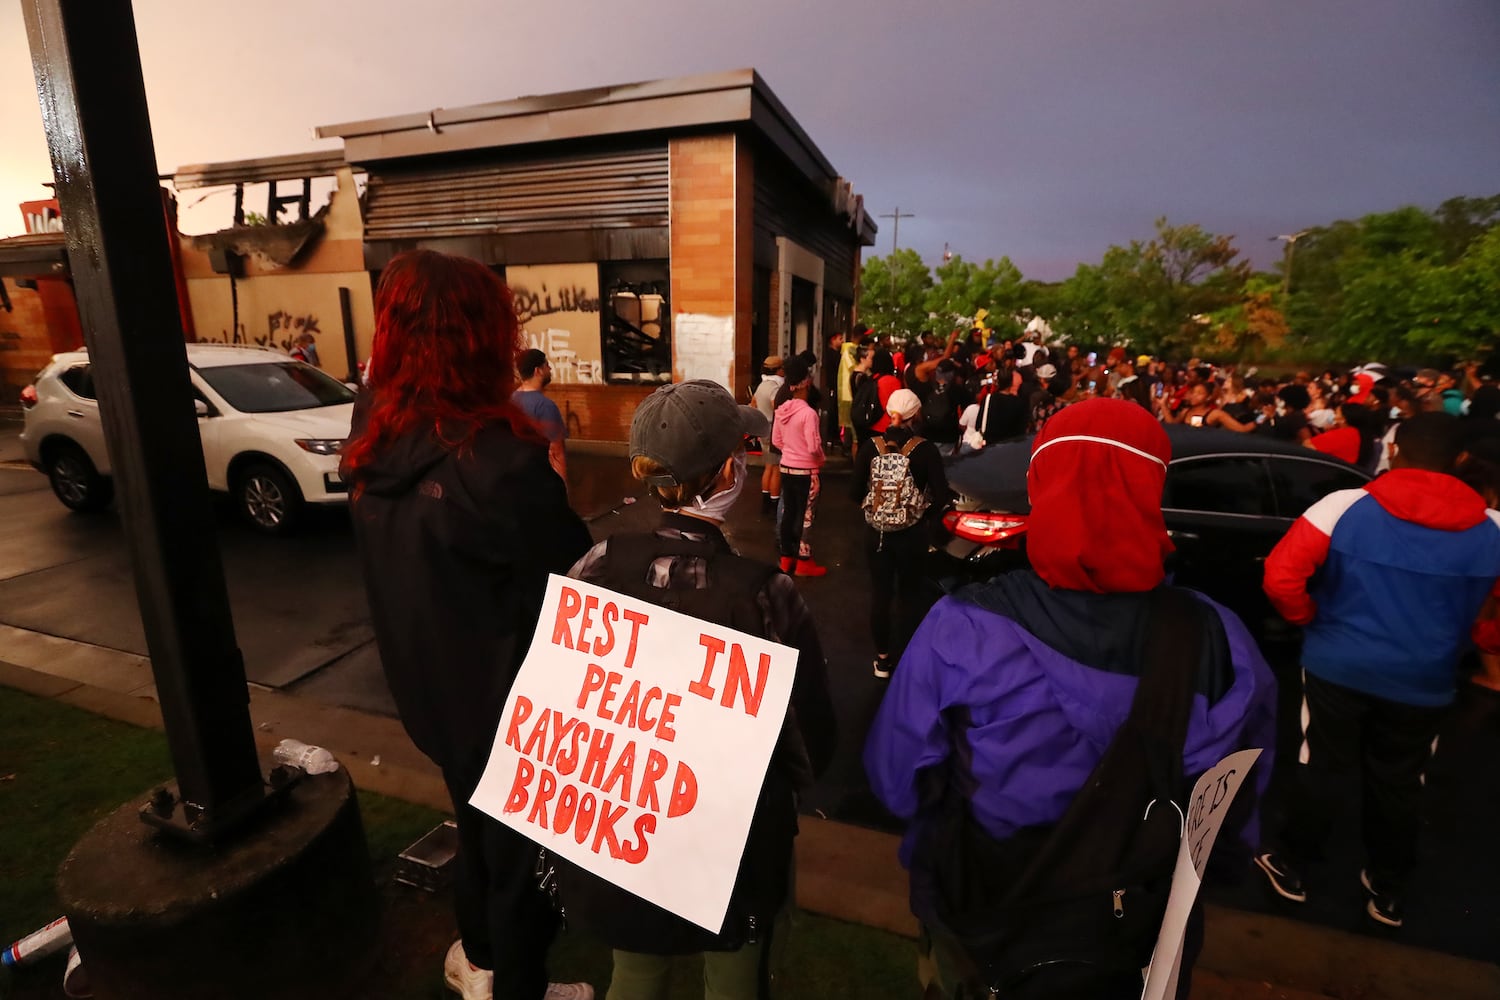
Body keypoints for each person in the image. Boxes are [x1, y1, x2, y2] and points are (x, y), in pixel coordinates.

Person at [864, 398, 1276, 999]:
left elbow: (897, 777)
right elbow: (1233, 817)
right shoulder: (1219, 639)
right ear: (1150, 488)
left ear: (1041, 484)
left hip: (983, 905)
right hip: (1136, 929)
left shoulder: (964, 626)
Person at [340, 250, 594, 1000]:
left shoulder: (373, 426)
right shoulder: (500, 463)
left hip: (428, 692)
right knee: (520, 862)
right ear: (481, 340)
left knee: (477, 834)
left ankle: (479, 961)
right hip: (505, 707)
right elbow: (578, 575)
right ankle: (515, 982)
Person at [558, 379, 836, 1000]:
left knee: (633, 965)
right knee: (734, 968)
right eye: (740, 451)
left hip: (624, 814)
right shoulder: (762, 592)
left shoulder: (599, 562)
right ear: (724, 474)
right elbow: (806, 737)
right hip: (729, 830)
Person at [1256, 413, 1500, 928]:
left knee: (1322, 764)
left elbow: (1280, 577)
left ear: (1393, 452)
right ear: (1460, 462)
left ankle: (1294, 867)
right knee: (1400, 781)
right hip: (1425, 681)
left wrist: (1312, 620)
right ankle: (1388, 889)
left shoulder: (1342, 507)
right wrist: (1473, 640)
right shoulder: (1493, 530)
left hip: (1336, 667)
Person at [851, 387, 951, 678]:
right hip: (913, 534)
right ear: (915, 414)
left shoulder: (871, 446)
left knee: (881, 594)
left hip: (877, 534)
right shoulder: (926, 449)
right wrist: (924, 514)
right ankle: (909, 655)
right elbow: (942, 494)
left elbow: (854, 492)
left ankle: (882, 660)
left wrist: (875, 510)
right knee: (910, 594)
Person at [771, 356, 827, 577]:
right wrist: (820, 459)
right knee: (806, 515)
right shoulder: (808, 413)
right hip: (807, 471)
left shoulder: (783, 410)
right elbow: (814, 447)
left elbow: (776, 440)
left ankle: (786, 558)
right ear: (807, 383)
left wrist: (790, 451)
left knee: (788, 513)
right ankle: (804, 560)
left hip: (786, 467)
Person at [514, 348, 568, 482]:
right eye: (546, 365)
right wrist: (563, 489)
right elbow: (556, 452)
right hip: (539, 480)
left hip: (516, 480)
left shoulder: (511, 401)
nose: (550, 369)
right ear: (538, 371)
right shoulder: (545, 407)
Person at [753, 355, 785, 514]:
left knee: (768, 466)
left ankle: (765, 500)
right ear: (778, 370)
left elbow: (753, 403)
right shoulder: (775, 387)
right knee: (776, 468)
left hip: (762, 428)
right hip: (773, 429)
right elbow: (777, 407)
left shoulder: (762, 385)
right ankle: (773, 503)